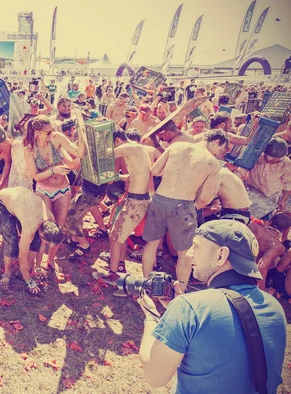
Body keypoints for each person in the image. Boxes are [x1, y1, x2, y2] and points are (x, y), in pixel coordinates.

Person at [137, 220, 286, 393]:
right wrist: (182, 315)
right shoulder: (275, 308)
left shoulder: (190, 308)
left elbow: (155, 377)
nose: (189, 254)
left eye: (196, 246)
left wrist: (152, 317)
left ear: (221, 255)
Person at [142, 129, 230, 290]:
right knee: (186, 253)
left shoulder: (177, 146)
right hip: (183, 206)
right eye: (220, 148)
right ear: (216, 142)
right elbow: (206, 197)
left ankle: (146, 285)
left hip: (160, 200)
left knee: (151, 244)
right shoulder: (211, 162)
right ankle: (179, 292)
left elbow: (155, 170)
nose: (219, 153)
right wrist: (194, 206)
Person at [23, 115, 87, 278]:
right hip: (43, 190)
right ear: (37, 132)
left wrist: (82, 132)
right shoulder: (29, 149)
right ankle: (38, 265)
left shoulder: (57, 138)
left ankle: (50, 261)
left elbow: (79, 152)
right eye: (48, 132)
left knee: (58, 228)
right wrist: (53, 170)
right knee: (45, 228)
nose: (53, 133)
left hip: (62, 190)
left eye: (52, 130)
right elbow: (36, 176)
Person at [0, 186, 65, 295]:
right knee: (12, 243)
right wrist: (30, 283)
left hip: (22, 204)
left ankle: (25, 271)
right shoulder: (30, 227)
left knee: (36, 242)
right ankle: (7, 273)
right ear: (42, 233)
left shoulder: (51, 220)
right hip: (3, 202)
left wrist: (38, 267)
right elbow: (22, 257)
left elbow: (41, 245)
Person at [104, 129, 152, 281]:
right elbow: (131, 177)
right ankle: (119, 264)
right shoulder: (137, 150)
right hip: (134, 198)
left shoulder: (127, 147)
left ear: (117, 140)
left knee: (115, 236)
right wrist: (116, 176)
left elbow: (104, 158)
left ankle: (113, 275)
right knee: (119, 235)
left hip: (136, 200)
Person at [246, 137, 291, 219]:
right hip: (251, 192)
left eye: (278, 159)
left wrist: (283, 200)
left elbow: (288, 183)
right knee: (247, 218)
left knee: (264, 221)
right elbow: (242, 171)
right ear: (265, 153)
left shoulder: (286, 163)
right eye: (272, 157)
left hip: (270, 197)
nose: (274, 160)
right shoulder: (256, 156)